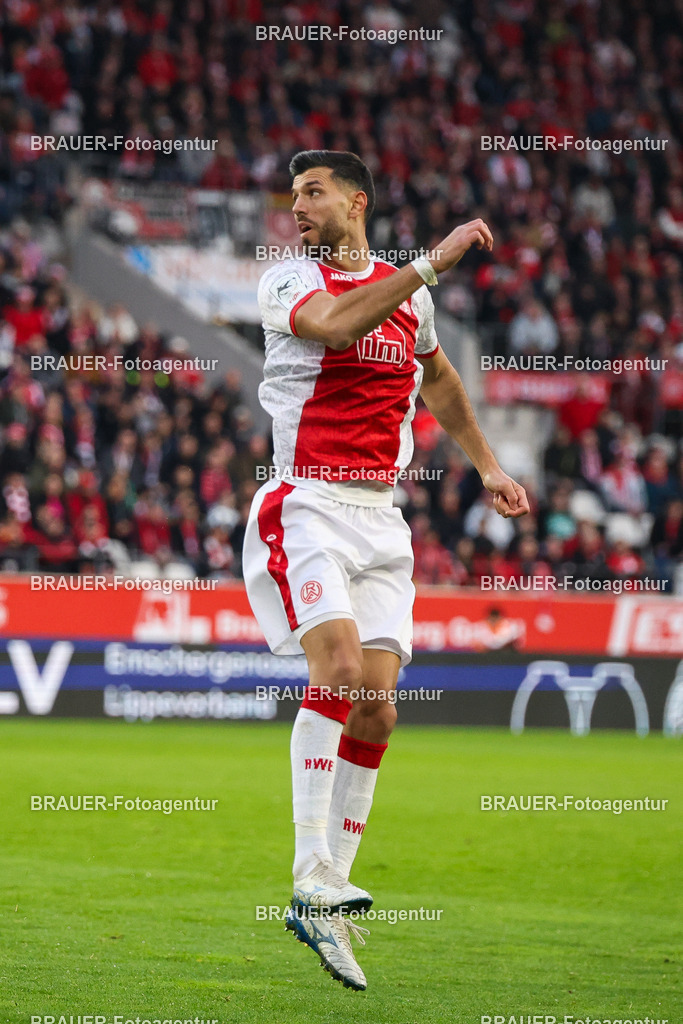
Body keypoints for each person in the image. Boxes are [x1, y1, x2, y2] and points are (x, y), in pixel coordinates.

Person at [243, 150, 529, 991]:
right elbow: (334, 327)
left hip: (382, 520)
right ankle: (306, 875)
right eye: (292, 195)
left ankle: (331, 887)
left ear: (354, 201)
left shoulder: (412, 306)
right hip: (305, 503)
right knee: (333, 669)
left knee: (376, 708)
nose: (297, 207)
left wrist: (487, 466)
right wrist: (428, 263)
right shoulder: (287, 282)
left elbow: (436, 381)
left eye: (312, 192)